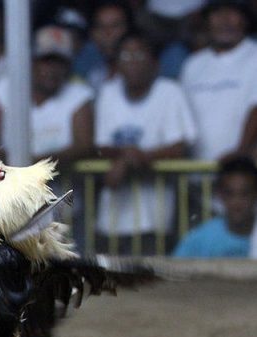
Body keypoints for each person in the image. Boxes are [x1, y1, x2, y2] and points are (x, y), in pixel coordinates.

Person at [95, 33, 196, 255]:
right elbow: (102, 146)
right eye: (125, 55)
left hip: (155, 218)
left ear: (155, 62)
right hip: (111, 217)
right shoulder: (108, 91)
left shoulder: (169, 91)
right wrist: (128, 156)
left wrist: (134, 159)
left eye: (139, 54)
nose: (132, 61)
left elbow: (180, 146)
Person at [0, 25, 94, 169]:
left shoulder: (79, 94)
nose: (53, 70)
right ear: (32, 62)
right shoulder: (5, 88)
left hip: (62, 190)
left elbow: (84, 147)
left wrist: (34, 165)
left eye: (59, 62)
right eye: (46, 61)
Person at [180, 0, 257, 161]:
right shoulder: (193, 64)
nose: (224, 19)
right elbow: (182, 117)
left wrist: (240, 155)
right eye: (217, 13)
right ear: (206, 20)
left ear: (244, 18)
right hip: (195, 173)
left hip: (242, 175)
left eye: (232, 12)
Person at [174, 156, 257, 257]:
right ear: (220, 194)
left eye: (245, 193)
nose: (237, 202)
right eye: (230, 193)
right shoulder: (198, 240)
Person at [73, 1, 133, 90]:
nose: (107, 33)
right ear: (92, 34)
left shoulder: (142, 66)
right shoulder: (88, 66)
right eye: (100, 27)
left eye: (115, 26)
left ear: (129, 29)